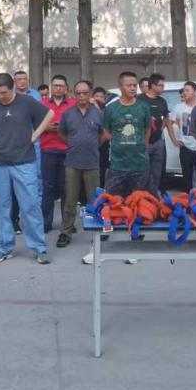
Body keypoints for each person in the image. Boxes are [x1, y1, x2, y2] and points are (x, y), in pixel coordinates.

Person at [0, 73, 54, 264]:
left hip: (25, 162)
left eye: (4, 93)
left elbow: (49, 114)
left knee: (30, 205)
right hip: (0, 163)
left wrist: (36, 135)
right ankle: (4, 247)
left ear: (12, 88)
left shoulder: (26, 102)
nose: (1, 96)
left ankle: (39, 247)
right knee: (3, 206)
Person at [82, 71, 152, 266]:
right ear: (121, 87)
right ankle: (98, 247)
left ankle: (135, 245)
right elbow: (107, 132)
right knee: (108, 206)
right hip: (118, 165)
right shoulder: (112, 109)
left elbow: (147, 131)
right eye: (129, 85)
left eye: (135, 85)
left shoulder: (143, 108)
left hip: (140, 165)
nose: (133, 88)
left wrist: (138, 147)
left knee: (138, 206)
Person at [57, 81, 102, 248]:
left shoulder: (98, 114)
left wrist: (93, 144)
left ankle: (98, 231)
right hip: (72, 162)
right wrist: (73, 143)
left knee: (95, 200)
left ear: (90, 93)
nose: (82, 96)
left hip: (92, 162)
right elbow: (61, 133)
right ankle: (66, 232)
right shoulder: (67, 114)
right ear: (73, 94)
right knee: (70, 199)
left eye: (85, 93)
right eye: (78, 93)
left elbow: (104, 133)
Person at [39, 75, 74, 232]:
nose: (58, 88)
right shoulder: (43, 104)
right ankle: (46, 223)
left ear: (66, 88)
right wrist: (46, 127)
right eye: (55, 85)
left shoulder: (72, 104)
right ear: (51, 88)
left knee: (67, 189)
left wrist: (64, 128)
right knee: (48, 188)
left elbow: (77, 125)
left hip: (67, 151)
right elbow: (34, 125)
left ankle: (67, 224)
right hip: (48, 150)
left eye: (61, 86)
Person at [139, 73, 169, 196]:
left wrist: (161, 129)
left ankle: (153, 197)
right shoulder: (139, 99)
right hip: (142, 142)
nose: (163, 88)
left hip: (157, 142)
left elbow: (166, 116)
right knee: (142, 171)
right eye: (160, 85)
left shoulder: (162, 101)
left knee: (156, 172)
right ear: (152, 85)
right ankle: (141, 196)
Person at [168, 81, 196, 191]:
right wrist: (174, 140)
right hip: (185, 147)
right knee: (186, 179)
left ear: (195, 92)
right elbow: (169, 123)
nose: (184, 93)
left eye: (187, 90)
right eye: (183, 91)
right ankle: (187, 198)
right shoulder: (178, 107)